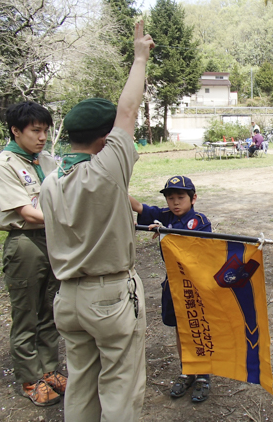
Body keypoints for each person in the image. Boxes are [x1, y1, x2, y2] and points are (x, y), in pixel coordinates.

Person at [39, 21, 154, 420]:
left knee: (82, 385)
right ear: (105, 140)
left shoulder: (51, 181)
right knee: (121, 387)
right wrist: (139, 56)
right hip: (108, 296)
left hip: (67, 298)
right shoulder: (107, 171)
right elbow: (128, 109)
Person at [0, 101, 65, 406]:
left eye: (45, 130)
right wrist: (68, 219)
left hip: (52, 240)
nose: (42, 136)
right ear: (16, 131)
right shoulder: (3, 165)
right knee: (26, 313)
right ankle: (30, 379)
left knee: (50, 308)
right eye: (35, 130)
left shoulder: (46, 162)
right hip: (25, 243)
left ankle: (49, 370)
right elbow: (27, 213)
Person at [129, 176, 212, 402]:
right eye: (170, 198)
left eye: (180, 198)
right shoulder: (164, 216)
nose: (175, 203)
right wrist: (114, 183)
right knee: (180, 329)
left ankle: (203, 374)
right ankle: (187, 369)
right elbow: (137, 206)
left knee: (197, 326)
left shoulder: (200, 220)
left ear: (193, 198)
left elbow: (194, 245)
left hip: (196, 286)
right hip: (173, 284)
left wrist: (167, 232)